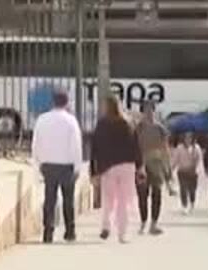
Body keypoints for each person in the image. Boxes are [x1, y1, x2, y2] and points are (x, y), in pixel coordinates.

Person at [31, 90, 83, 244]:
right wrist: (77, 167)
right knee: (68, 200)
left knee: (49, 200)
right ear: (67, 103)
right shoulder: (71, 121)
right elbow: (76, 145)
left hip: (48, 164)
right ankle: (70, 231)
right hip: (66, 165)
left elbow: (36, 143)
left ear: (52, 102)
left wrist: (38, 163)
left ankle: (48, 232)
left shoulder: (42, 119)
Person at [90, 98, 140, 243]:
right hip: (127, 166)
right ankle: (122, 234)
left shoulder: (102, 124)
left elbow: (95, 148)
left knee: (108, 199)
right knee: (124, 201)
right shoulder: (129, 122)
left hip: (108, 166)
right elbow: (136, 146)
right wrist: (140, 165)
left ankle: (106, 226)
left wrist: (94, 171)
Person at [134, 102, 170, 235]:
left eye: (150, 110)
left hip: (156, 164)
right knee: (142, 195)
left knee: (157, 194)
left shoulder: (160, 128)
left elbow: (165, 148)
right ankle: (143, 221)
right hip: (141, 165)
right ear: (142, 112)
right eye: (146, 110)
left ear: (154, 111)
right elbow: (133, 147)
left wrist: (168, 168)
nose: (148, 113)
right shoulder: (138, 128)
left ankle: (154, 223)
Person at [173, 133, 203, 213]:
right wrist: (172, 168)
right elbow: (175, 159)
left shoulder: (196, 148)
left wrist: (197, 169)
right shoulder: (179, 148)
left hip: (192, 172)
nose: (188, 140)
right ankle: (184, 205)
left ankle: (192, 202)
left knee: (192, 189)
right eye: (186, 138)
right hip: (182, 171)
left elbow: (199, 159)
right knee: (183, 188)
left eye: (189, 138)